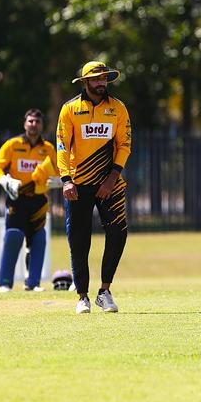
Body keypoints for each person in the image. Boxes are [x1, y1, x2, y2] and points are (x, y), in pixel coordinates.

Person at [57, 61, 132, 314]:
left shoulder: (118, 108)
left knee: (118, 233)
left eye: (105, 79)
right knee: (79, 241)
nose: (102, 83)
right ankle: (82, 296)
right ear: (86, 82)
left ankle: (105, 291)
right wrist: (66, 180)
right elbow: (61, 147)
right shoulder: (69, 109)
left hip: (109, 183)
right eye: (97, 79)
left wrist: (112, 178)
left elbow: (124, 145)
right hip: (78, 184)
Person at [0, 109, 61, 292]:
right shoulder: (13, 145)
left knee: (38, 239)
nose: (33, 124)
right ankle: (5, 283)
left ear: (42, 125)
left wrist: (58, 182)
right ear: (24, 124)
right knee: (14, 236)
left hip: (39, 200)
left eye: (37, 122)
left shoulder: (48, 149)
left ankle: (33, 283)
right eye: (30, 121)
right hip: (17, 198)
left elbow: (60, 172)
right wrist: (5, 180)